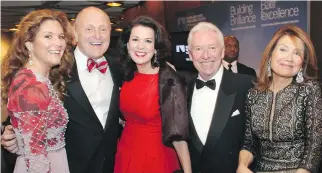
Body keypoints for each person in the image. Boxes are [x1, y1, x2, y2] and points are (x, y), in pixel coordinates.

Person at [1, 6, 123, 173]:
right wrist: (12, 134)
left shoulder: (118, 67)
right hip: (70, 165)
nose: (97, 35)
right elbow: (25, 114)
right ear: (75, 33)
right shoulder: (55, 67)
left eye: (103, 29)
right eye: (89, 29)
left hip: (110, 163)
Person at [237, 25, 322, 173]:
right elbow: (248, 143)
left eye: (297, 53)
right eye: (283, 49)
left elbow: (315, 146)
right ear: (270, 55)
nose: (289, 58)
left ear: (302, 63)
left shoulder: (309, 90)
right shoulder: (253, 95)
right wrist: (242, 166)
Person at [114, 16, 191, 173]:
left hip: (154, 158)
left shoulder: (169, 80)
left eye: (148, 41)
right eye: (135, 39)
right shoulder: (127, 75)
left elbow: (178, 136)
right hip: (125, 152)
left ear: (156, 47)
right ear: (127, 44)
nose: (140, 46)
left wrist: (188, 171)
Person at [1, 9, 74, 173]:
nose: (58, 43)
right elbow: (36, 161)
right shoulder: (31, 86)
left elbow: (29, 141)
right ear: (29, 44)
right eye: (48, 36)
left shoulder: (38, 79)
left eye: (61, 37)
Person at [186, 22, 254, 173]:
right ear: (190, 55)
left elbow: (255, 139)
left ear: (222, 52)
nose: (206, 55)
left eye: (212, 48)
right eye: (198, 49)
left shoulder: (246, 85)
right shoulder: (183, 90)